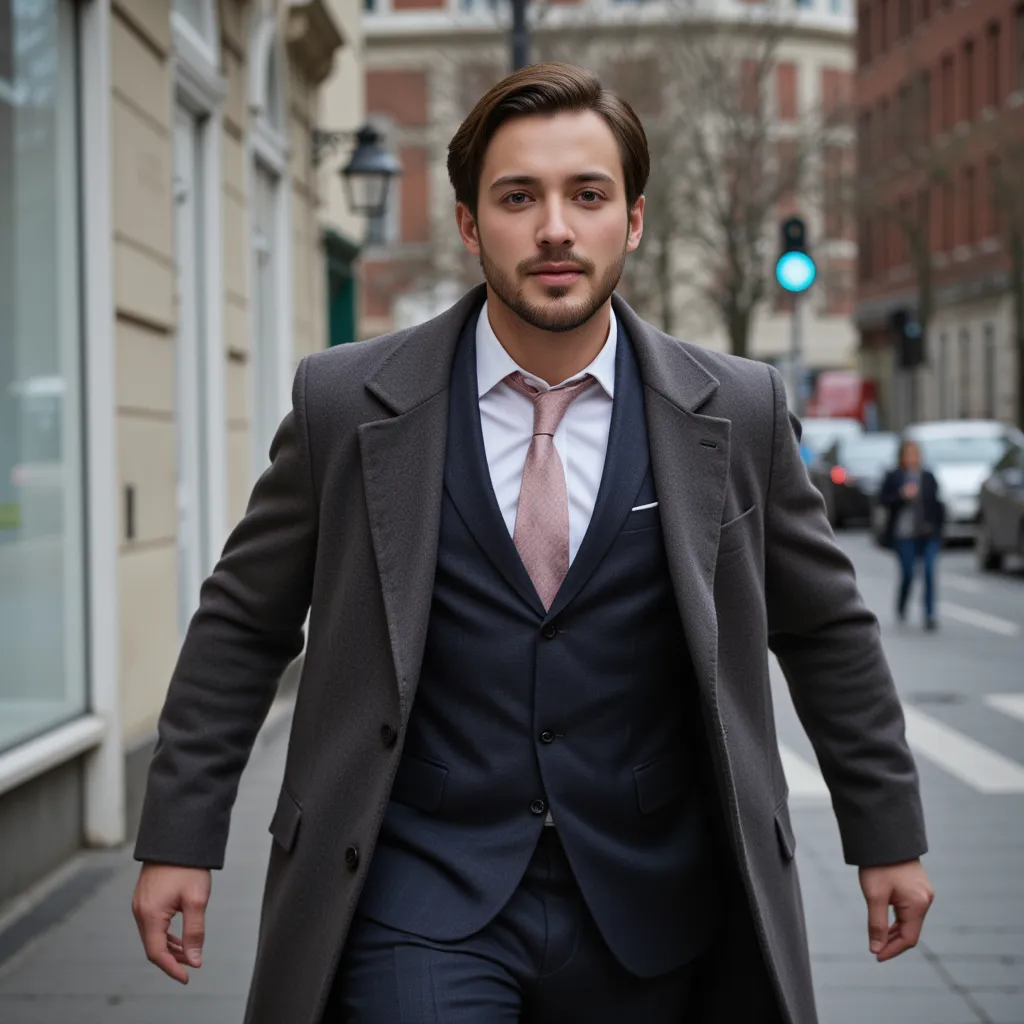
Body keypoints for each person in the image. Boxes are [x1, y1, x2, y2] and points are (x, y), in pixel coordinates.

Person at [131, 63, 933, 1024]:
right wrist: (181, 833)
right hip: (416, 896)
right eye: (519, 197)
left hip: (658, 901)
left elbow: (826, 630)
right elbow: (242, 622)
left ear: (632, 220)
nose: (555, 226)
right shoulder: (346, 405)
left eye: (587, 195)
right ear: (471, 225)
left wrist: (886, 830)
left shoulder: (737, 411)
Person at [880, 440, 945, 631]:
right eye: (908, 454)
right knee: (908, 573)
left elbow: (937, 505)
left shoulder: (928, 477)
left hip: (928, 533)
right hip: (904, 534)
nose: (912, 458)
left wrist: (939, 531)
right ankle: (901, 605)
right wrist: (901, 496)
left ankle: (930, 614)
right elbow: (884, 501)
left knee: (929, 571)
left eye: (914, 453)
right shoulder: (894, 476)